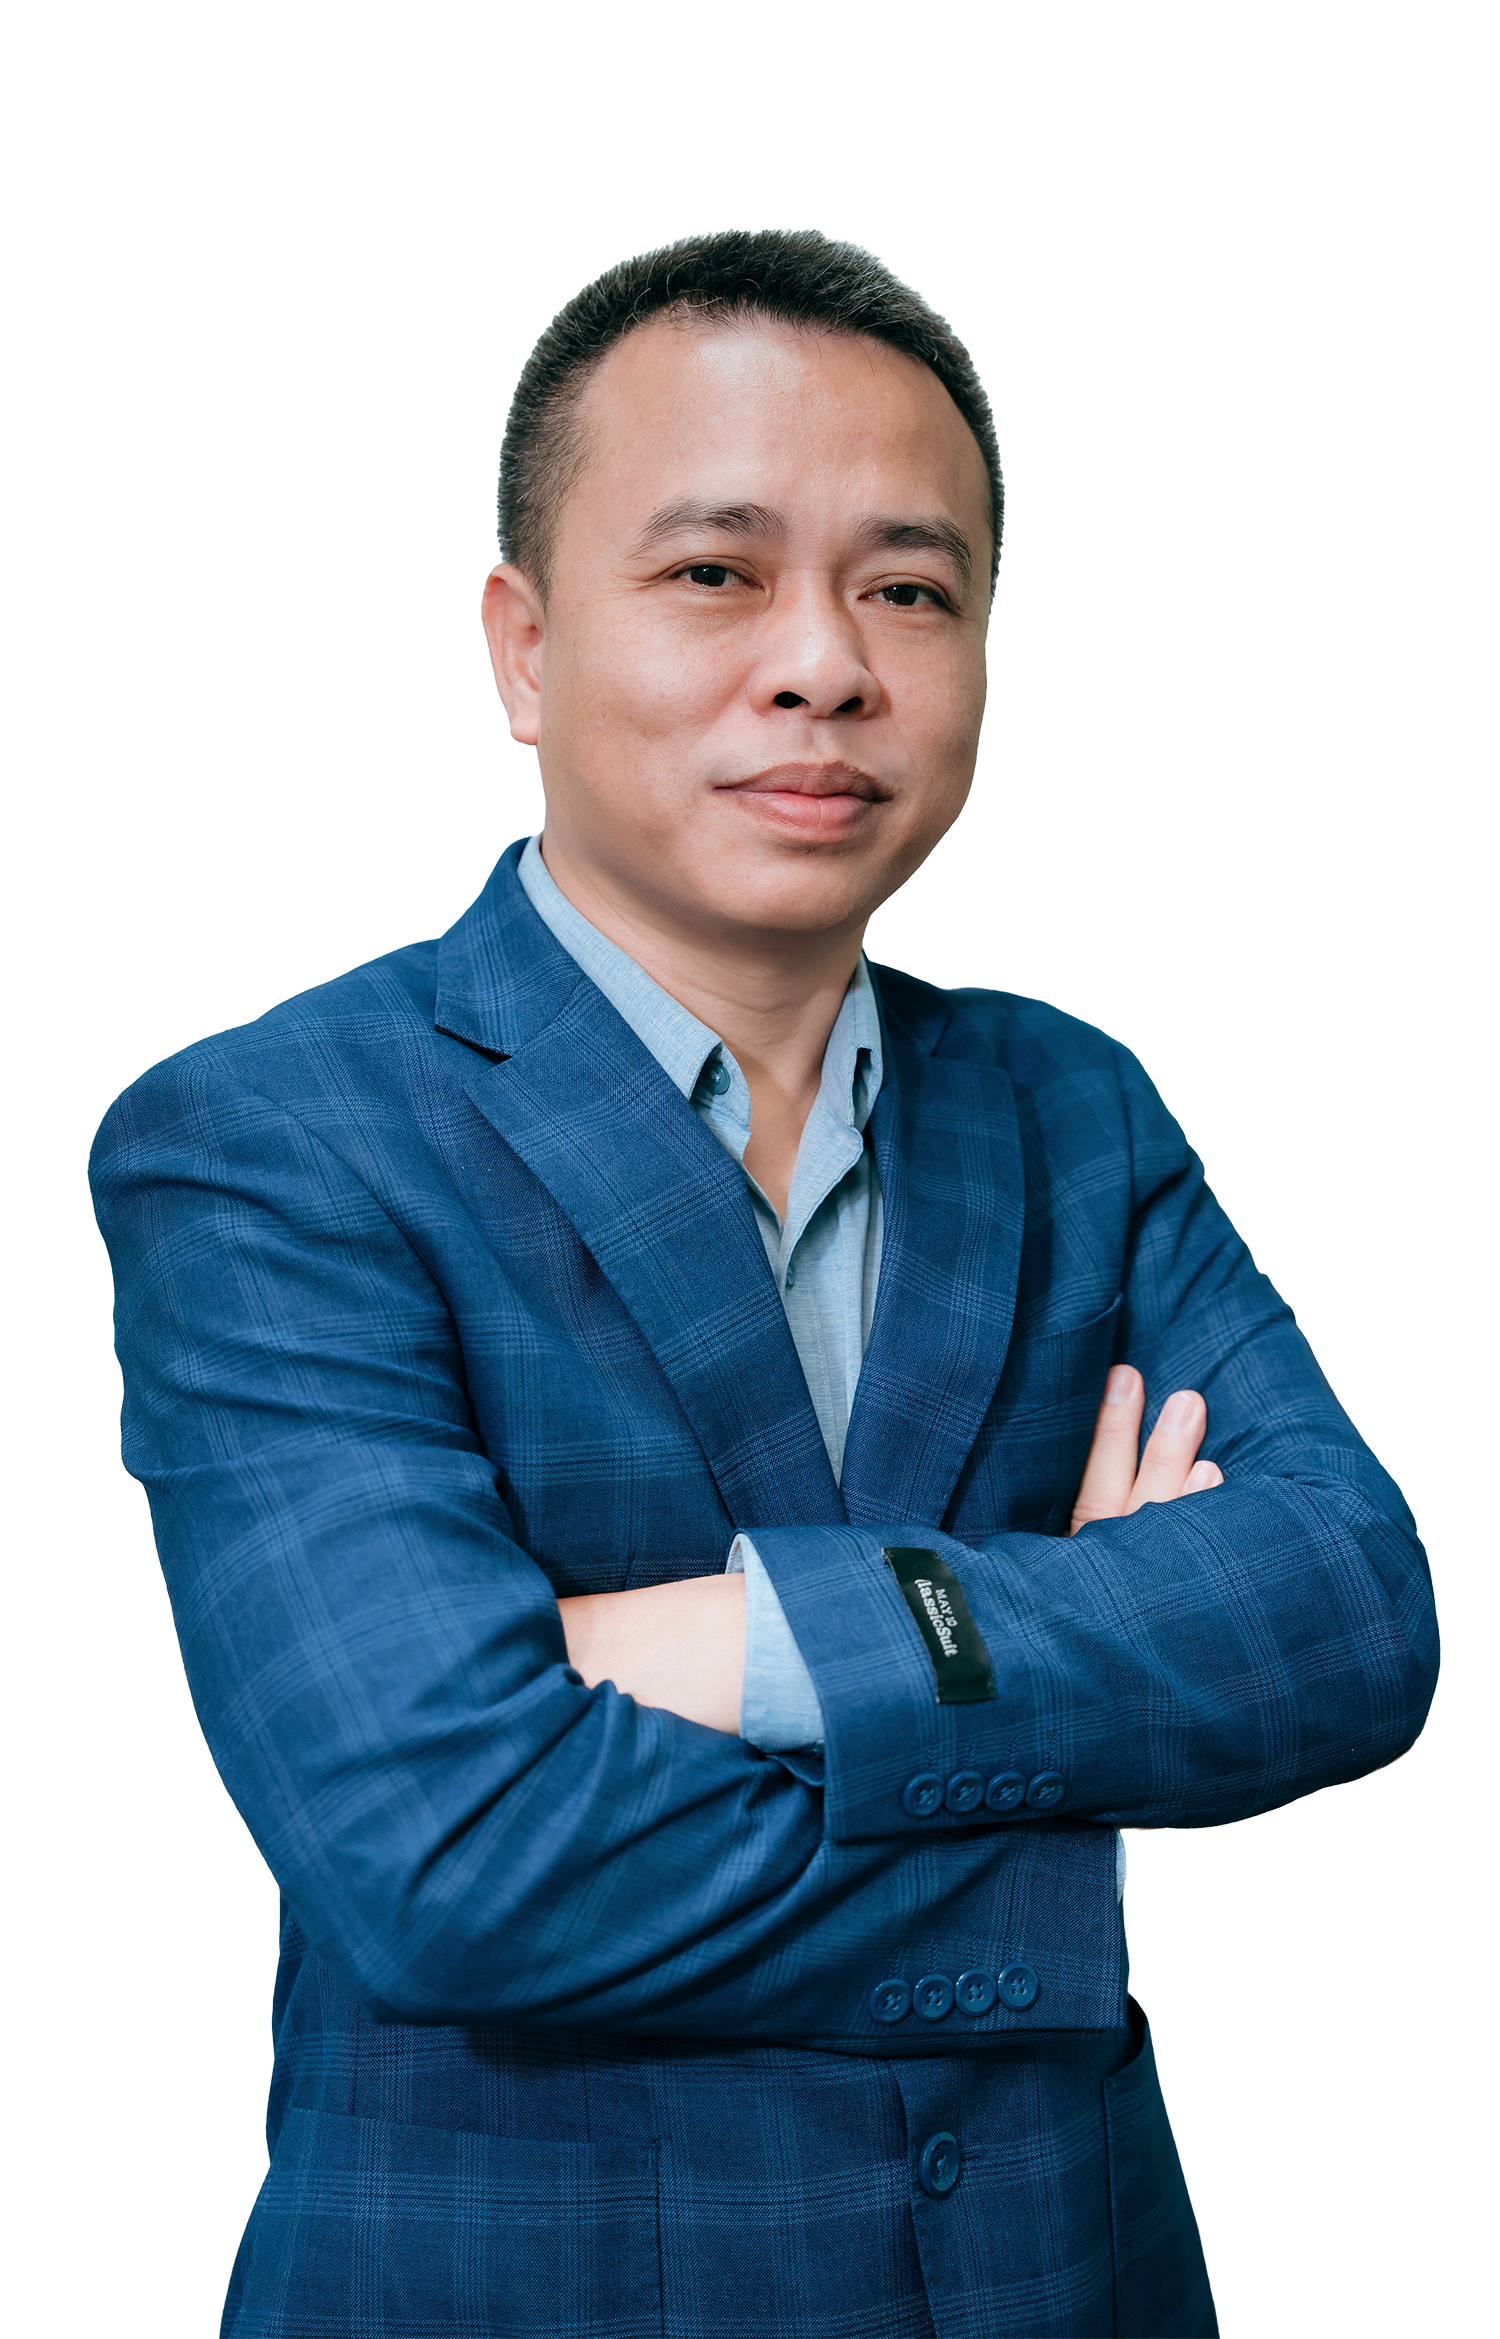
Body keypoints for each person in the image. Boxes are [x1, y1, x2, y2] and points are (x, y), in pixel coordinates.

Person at [90, 230, 1438, 2339]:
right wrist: (1074, 1786)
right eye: (716, 570)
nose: (823, 663)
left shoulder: (1079, 1106)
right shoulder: (275, 1132)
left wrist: (748, 1640)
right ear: (522, 648)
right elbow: (449, 1854)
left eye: (910, 589)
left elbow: (1352, 1621)